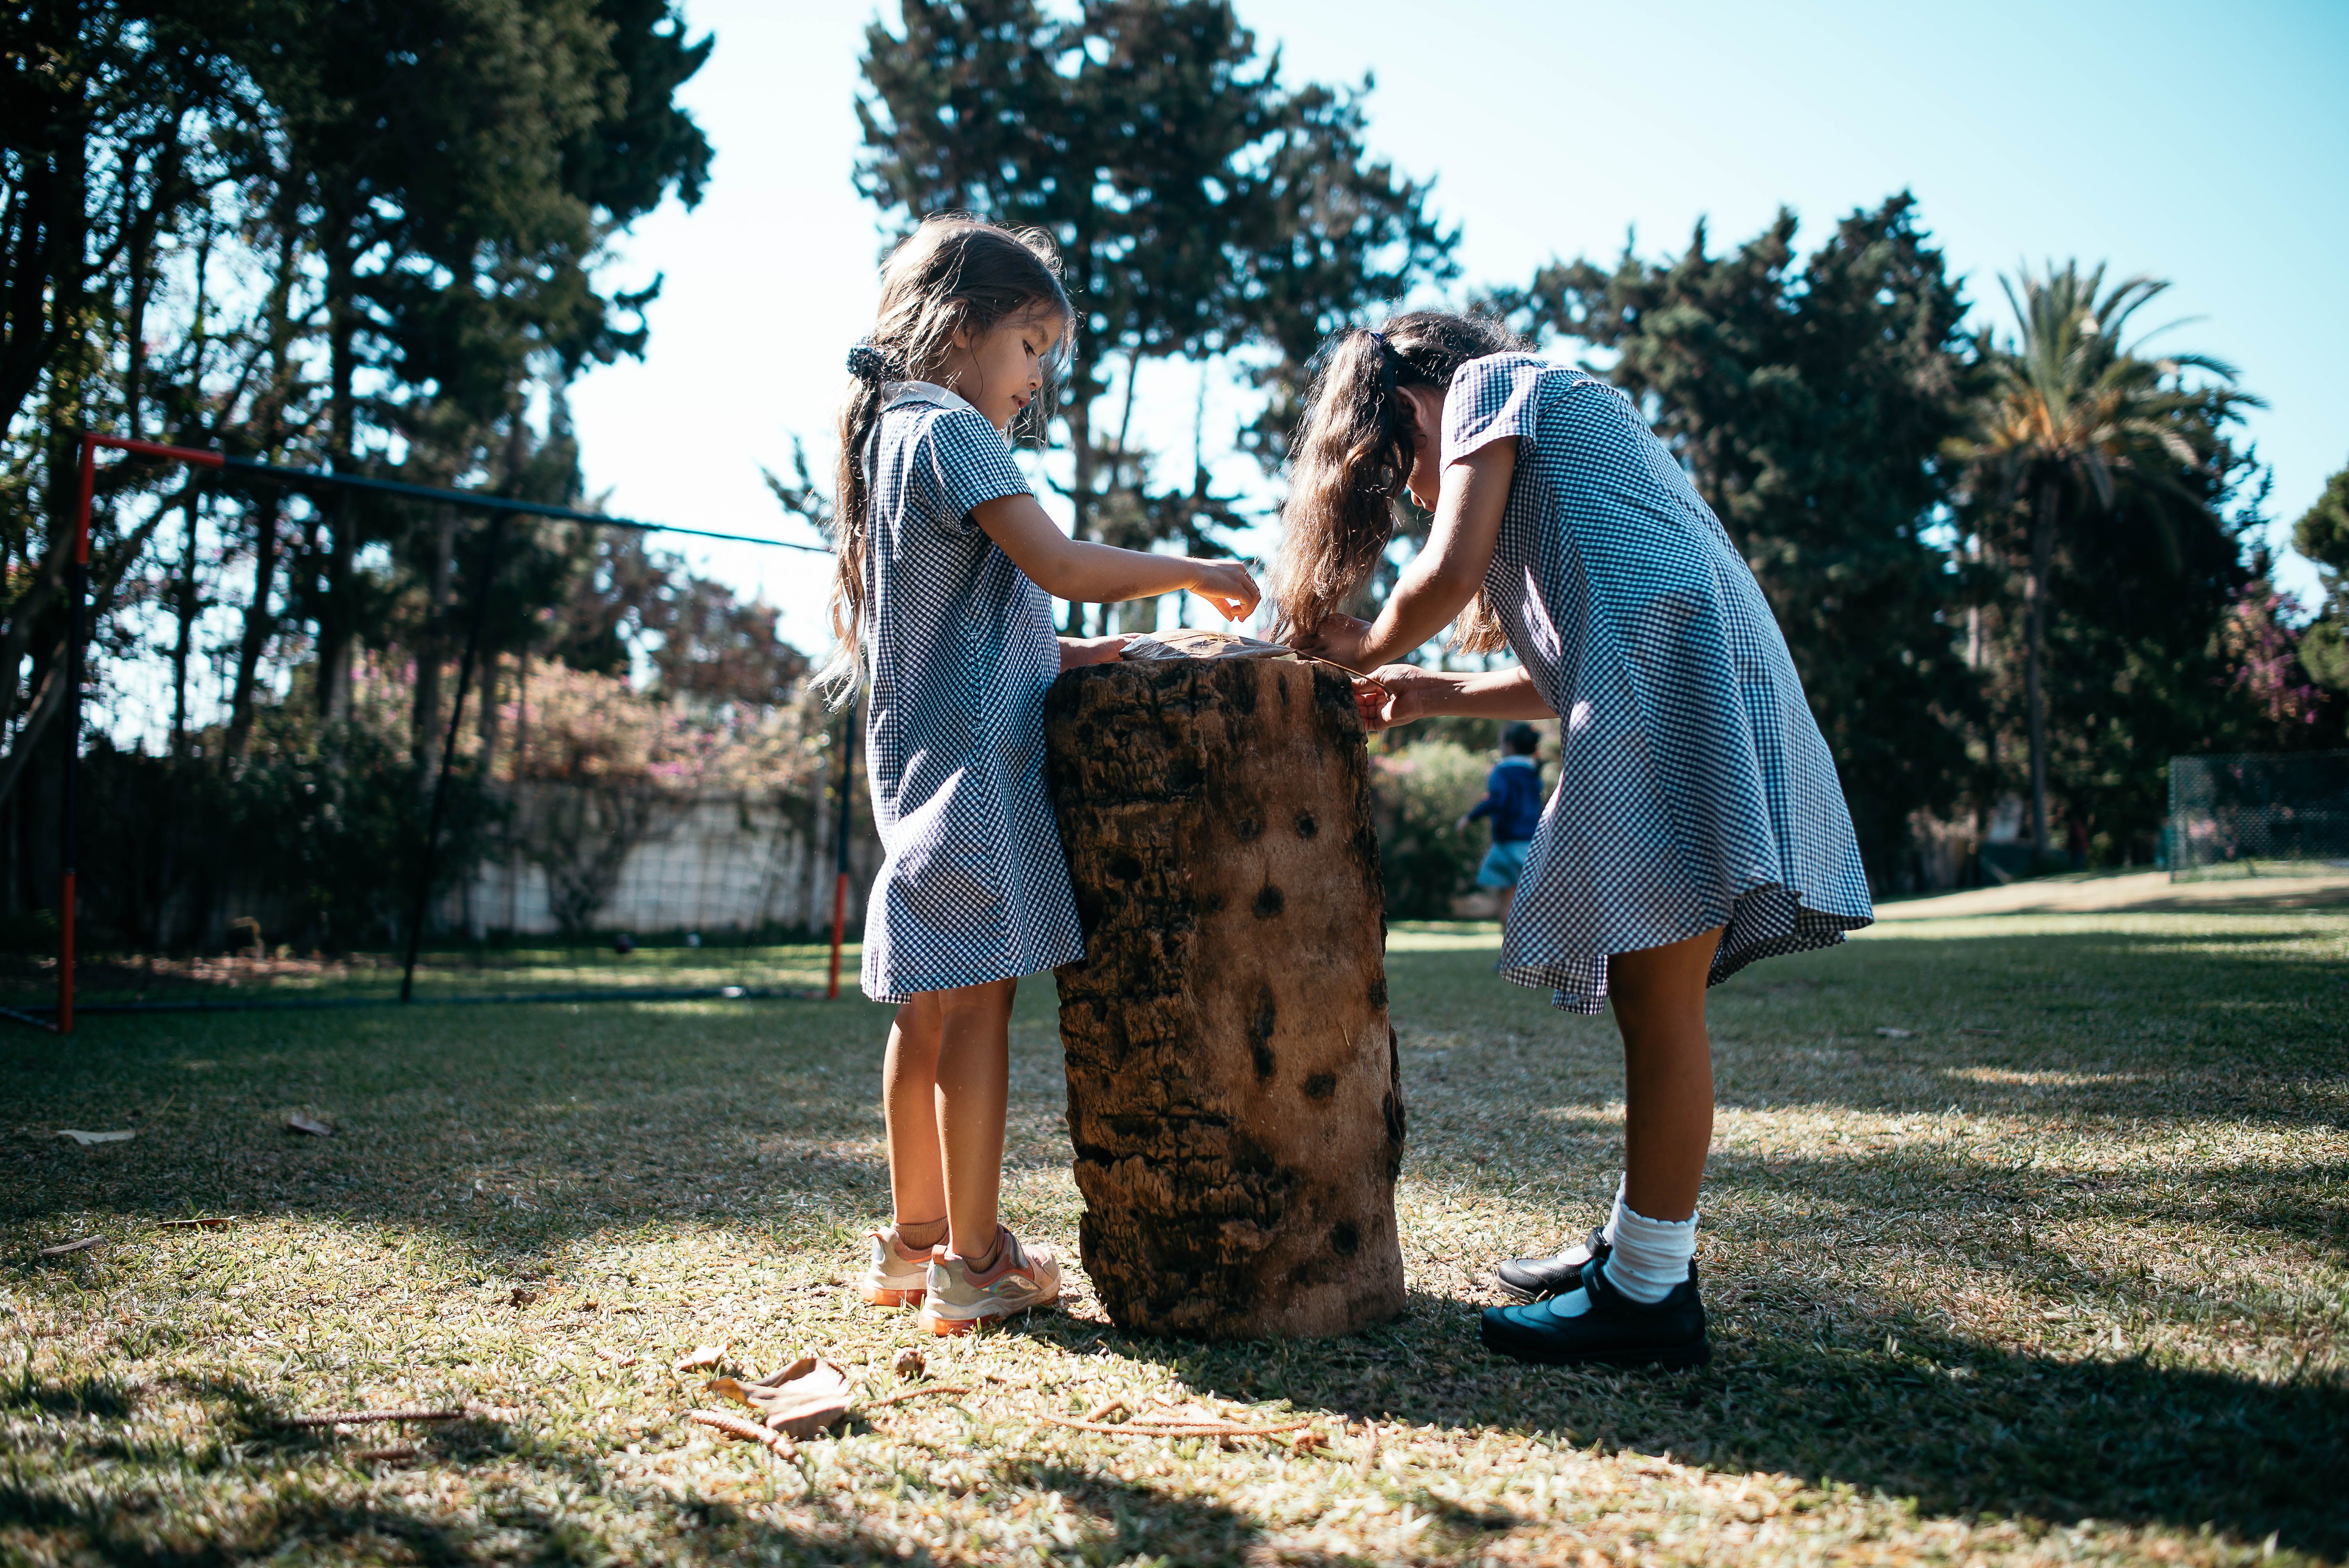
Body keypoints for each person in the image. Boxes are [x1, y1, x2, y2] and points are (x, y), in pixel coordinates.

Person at [1273, 311, 1872, 1368]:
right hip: (1682, 681)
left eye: (1403, 466)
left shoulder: (1489, 389)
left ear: (1416, 401)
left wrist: (1361, 641)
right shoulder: (1550, 452)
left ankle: (1648, 1294)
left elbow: (1442, 576)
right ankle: (1640, 1254)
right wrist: (1429, 692)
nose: (1417, 493)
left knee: (1658, 1003)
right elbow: (1564, 671)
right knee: (1654, 1002)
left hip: (1681, 690)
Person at [824, 217, 1260, 1335]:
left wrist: (1070, 652)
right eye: (1029, 346)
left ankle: (912, 1241)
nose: (1036, 379)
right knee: (978, 1009)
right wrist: (1194, 568)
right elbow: (1057, 562)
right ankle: (977, 1263)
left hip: (920, 778)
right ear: (962, 329)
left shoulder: (891, 439)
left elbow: (958, 625)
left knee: (925, 1012)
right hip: (980, 780)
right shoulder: (956, 433)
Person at [1458, 721, 1545, 921]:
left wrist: (1470, 818)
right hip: (1531, 844)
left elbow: (1497, 799)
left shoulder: (1503, 770)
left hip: (1508, 845)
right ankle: (1522, 949)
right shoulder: (1534, 772)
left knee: (1506, 899)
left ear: (1510, 746)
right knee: (1526, 899)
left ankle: (1509, 949)